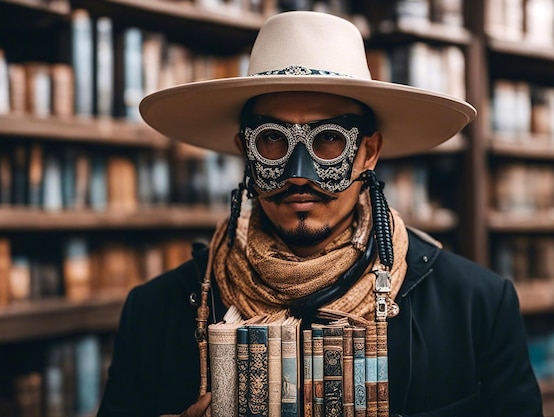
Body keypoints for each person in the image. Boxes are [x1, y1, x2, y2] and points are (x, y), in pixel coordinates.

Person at [97, 11, 543, 417]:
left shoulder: (476, 307)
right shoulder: (155, 313)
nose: (298, 175)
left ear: (368, 152)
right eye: (272, 139)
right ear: (245, 152)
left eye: (328, 140)